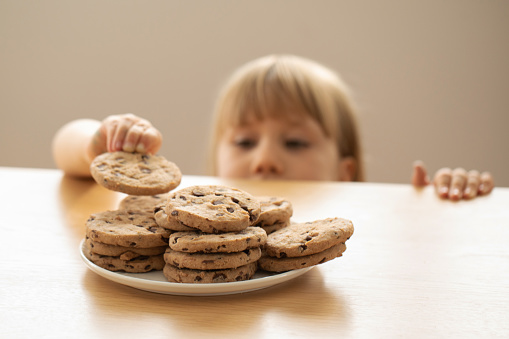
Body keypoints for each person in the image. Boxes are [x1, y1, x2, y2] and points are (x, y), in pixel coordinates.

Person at [52, 54, 494, 200]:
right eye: (244, 140)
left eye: (296, 142)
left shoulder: (359, 220)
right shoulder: (190, 216)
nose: (263, 159)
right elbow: (63, 149)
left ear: (345, 172)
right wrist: (98, 143)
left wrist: (446, 201)